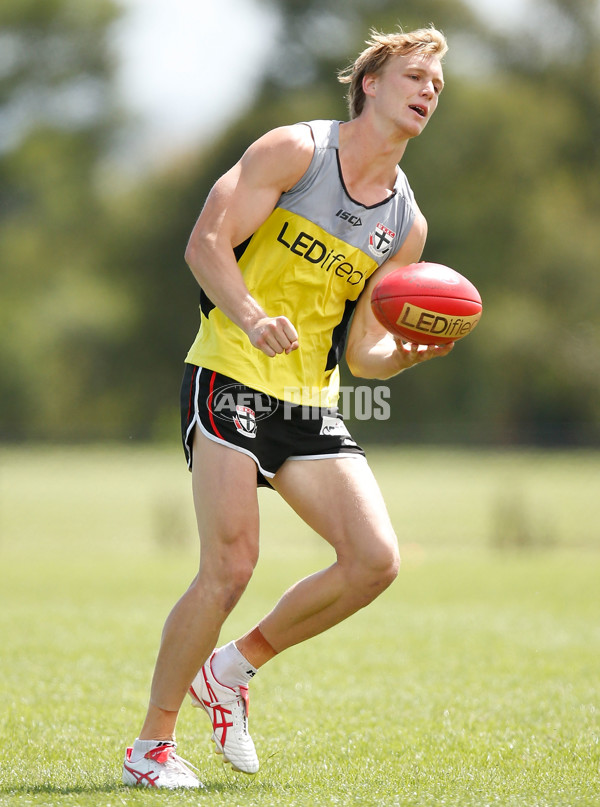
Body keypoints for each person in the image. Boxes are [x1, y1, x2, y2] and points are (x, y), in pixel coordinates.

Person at [123, 24, 453, 789]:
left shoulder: (405, 224)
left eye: (437, 85)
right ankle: (152, 746)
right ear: (370, 83)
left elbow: (364, 348)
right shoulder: (293, 152)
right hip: (230, 371)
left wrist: (407, 352)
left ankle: (232, 669)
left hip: (308, 399)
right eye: (415, 76)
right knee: (231, 565)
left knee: (375, 561)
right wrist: (248, 314)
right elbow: (205, 244)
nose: (428, 91)